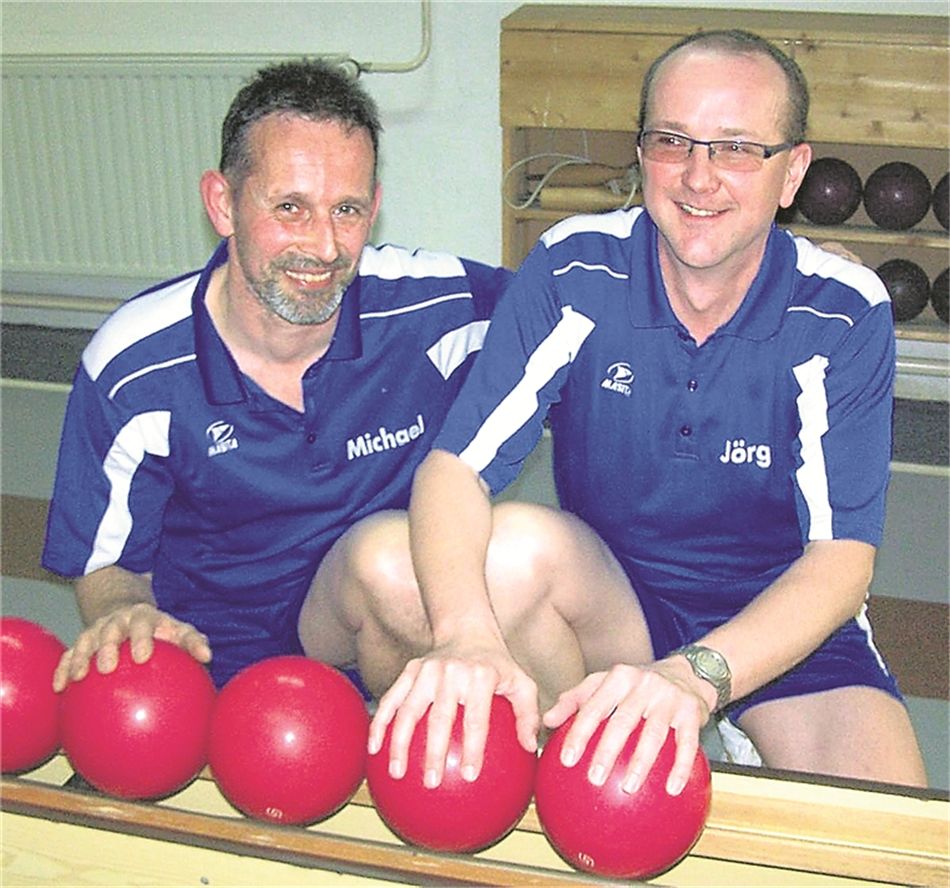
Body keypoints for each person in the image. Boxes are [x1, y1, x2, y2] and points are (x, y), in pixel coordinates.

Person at [368, 29, 927, 793]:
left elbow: (841, 562)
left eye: (736, 148)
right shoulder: (574, 269)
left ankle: (703, 724)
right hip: (617, 600)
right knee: (511, 549)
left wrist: (699, 678)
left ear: (792, 171)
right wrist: (465, 635)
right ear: (641, 153)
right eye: (673, 141)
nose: (699, 179)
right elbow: (455, 469)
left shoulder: (841, 312)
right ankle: (580, 761)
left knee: (889, 845)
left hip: (782, 614)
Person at [43, 59, 511, 694]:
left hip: (384, 639)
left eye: (346, 210)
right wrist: (126, 612)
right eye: (291, 208)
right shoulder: (134, 369)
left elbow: (580, 313)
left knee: (439, 560)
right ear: (223, 204)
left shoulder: (432, 309)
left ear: (375, 207)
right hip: (215, 672)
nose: (323, 247)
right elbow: (105, 565)